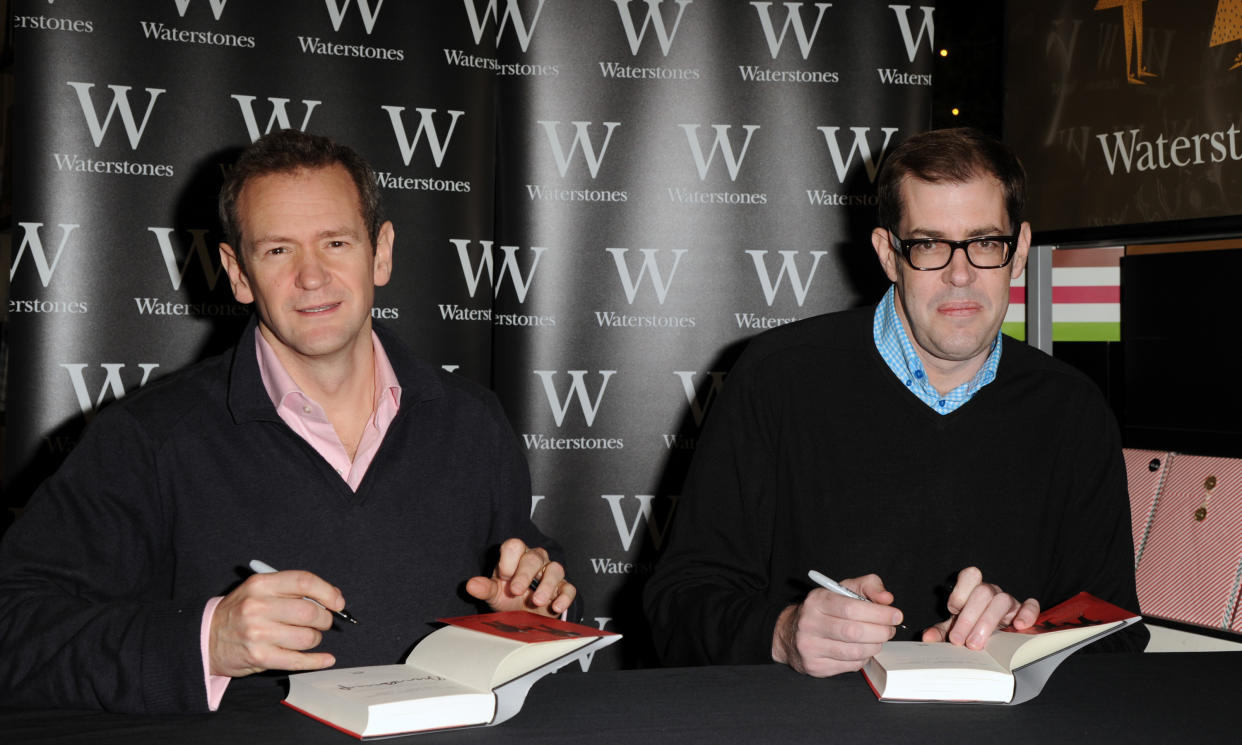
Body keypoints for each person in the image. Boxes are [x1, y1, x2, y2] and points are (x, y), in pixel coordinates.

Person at [0, 130, 575, 712]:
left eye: (335, 243)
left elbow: (531, 596)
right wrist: (208, 641)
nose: (311, 276)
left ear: (381, 252)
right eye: (278, 250)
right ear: (238, 272)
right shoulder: (147, 438)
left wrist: (530, 620)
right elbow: (15, 626)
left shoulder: (472, 421)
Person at [643, 127, 1147, 677]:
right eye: (929, 245)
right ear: (889, 254)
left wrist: (1026, 639)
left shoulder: (1073, 411)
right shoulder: (777, 377)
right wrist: (783, 633)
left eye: (985, 243)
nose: (961, 275)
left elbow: (1114, 630)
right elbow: (678, 604)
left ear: (1019, 250)